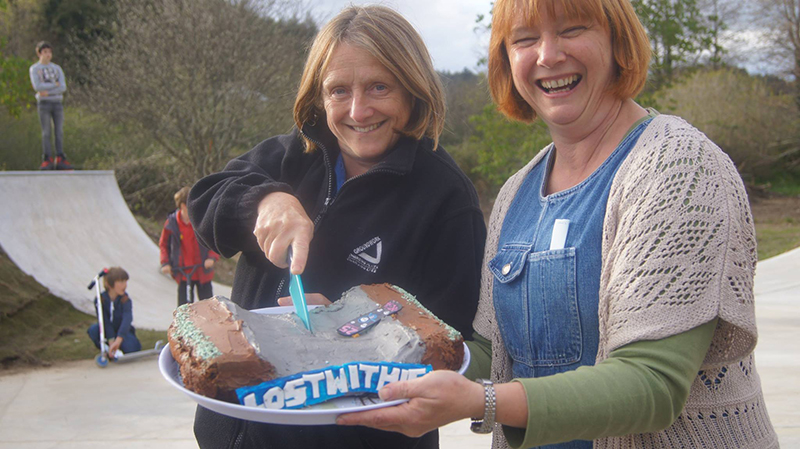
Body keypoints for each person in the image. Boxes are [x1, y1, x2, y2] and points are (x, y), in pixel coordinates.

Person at [337, 1, 779, 448]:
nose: (548, 55)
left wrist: (481, 402)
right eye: (525, 39)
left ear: (616, 41)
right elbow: (492, 355)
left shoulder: (680, 168)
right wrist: (366, 357)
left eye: (572, 29)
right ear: (507, 61)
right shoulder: (516, 193)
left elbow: (653, 384)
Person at [188, 5, 486, 449]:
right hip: (236, 431)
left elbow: (451, 344)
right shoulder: (296, 153)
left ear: (413, 90)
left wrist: (341, 331)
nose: (358, 110)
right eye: (338, 90)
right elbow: (206, 199)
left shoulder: (446, 197)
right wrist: (264, 199)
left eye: (378, 87)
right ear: (318, 95)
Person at [159, 187, 219, 307]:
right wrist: (165, 263)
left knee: (209, 308)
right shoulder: (171, 223)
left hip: (202, 270)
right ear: (182, 206)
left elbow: (213, 238)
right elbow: (164, 244)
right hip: (183, 273)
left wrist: (211, 257)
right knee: (184, 309)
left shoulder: (201, 220)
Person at [29, 41, 72, 171]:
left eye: (49, 52)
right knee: (46, 131)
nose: (48, 55)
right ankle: (47, 158)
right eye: (45, 52)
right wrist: (55, 86)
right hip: (44, 104)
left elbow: (63, 87)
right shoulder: (35, 69)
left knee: (59, 131)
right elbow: (38, 87)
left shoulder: (57, 68)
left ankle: (60, 157)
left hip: (57, 102)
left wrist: (48, 91)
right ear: (39, 53)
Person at [87, 267, 142, 358]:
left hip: (122, 332)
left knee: (133, 348)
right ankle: (108, 348)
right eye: (121, 282)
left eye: (125, 281)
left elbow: (127, 319)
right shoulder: (100, 300)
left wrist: (118, 340)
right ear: (109, 284)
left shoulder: (125, 300)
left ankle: (116, 348)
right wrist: (111, 340)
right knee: (93, 330)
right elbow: (105, 321)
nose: (125, 285)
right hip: (106, 331)